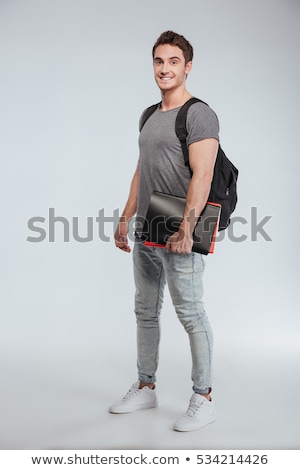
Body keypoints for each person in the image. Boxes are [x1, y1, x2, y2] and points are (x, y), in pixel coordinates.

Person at [109, 30, 219, 432]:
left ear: (187, 66)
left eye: (173, 61)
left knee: (190, 313)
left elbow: (203, 174)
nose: (165, 68)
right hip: (148, 221)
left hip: (180, 223)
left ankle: (203, 397)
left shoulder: (198, 113)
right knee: (145, 311)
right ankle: (146, 385)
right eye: (159, 61)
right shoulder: (149, 114)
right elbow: (142, 169)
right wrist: (126, 216)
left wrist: (188, 227)